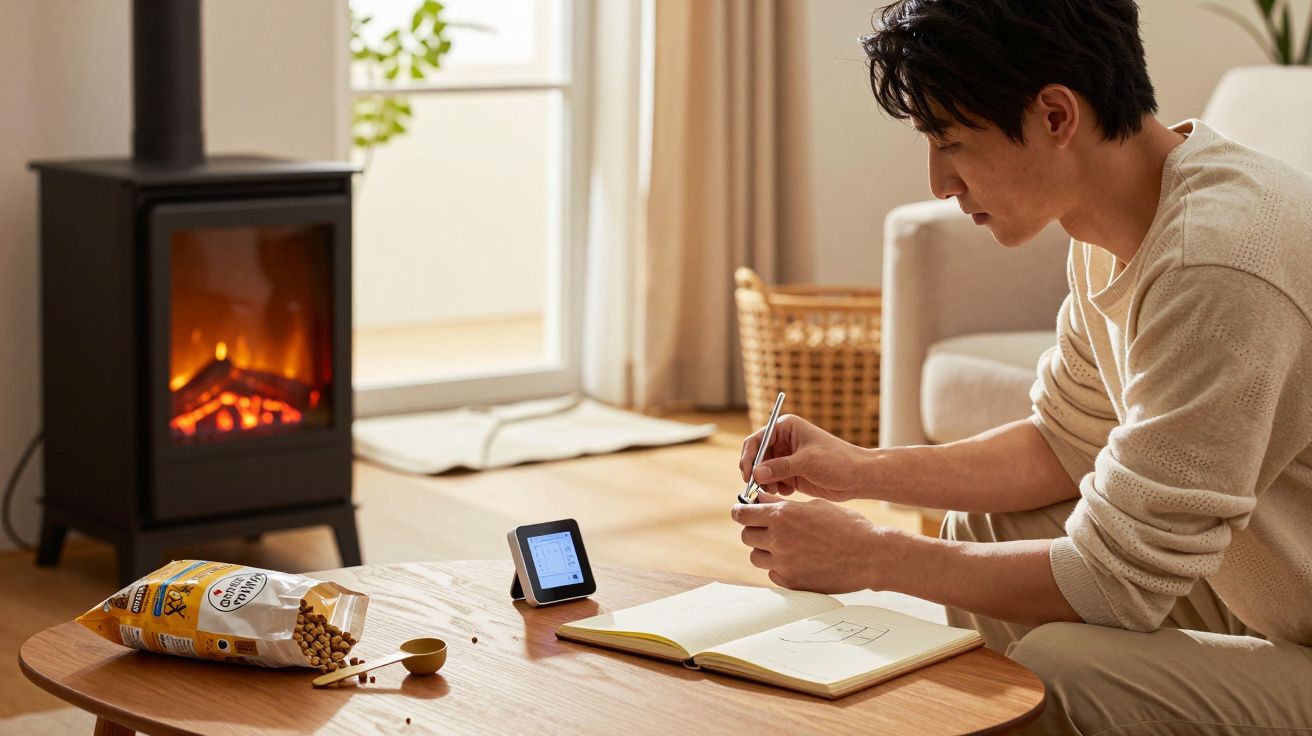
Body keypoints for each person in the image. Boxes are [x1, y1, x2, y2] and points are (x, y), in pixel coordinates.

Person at [730, 0, 1312, 732]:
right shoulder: (1118, 226)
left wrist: (873, 556)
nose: (940, 181)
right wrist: (858, 470)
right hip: (1269, 592)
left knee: (1061, 675)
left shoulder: (1216, 262)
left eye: (952, 142)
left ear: (1056, 117)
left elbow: (1115, 580)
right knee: (985, 527)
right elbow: (1062, 441)